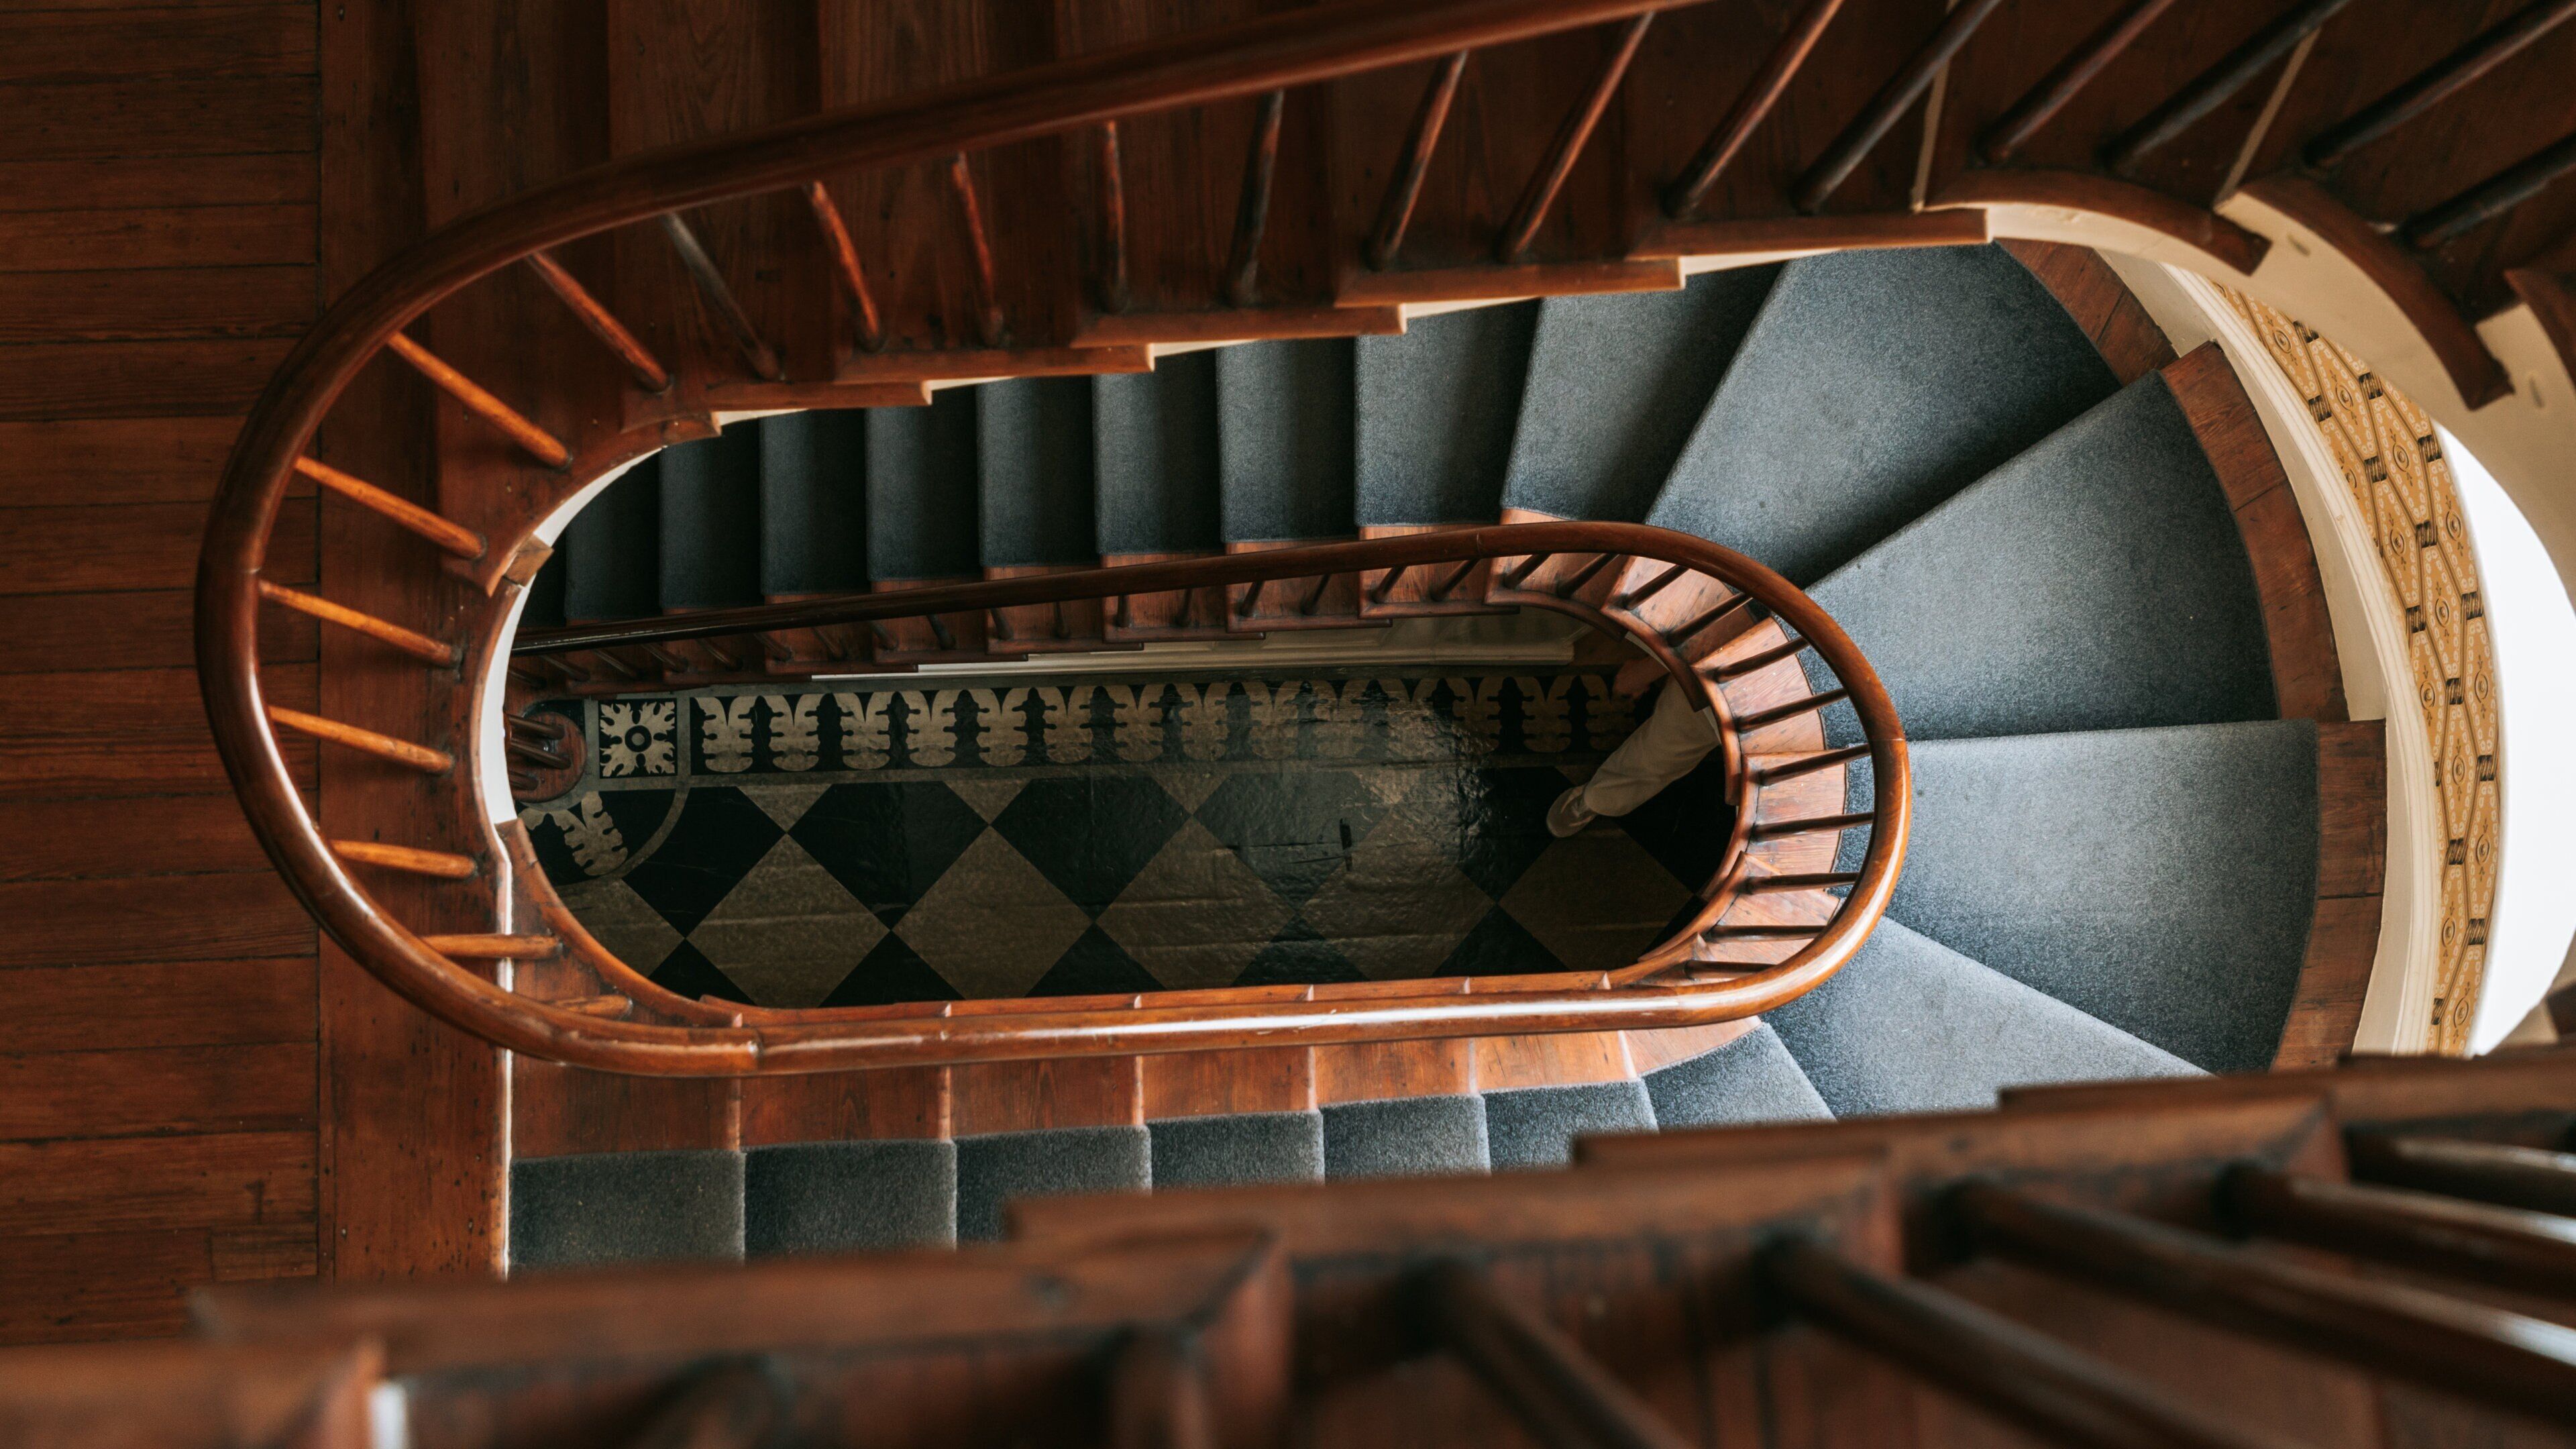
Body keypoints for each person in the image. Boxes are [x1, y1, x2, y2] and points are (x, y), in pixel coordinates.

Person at [1546, 674, 1719, 837]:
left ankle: (1603, 796)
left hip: (1731, 694)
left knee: (1667, 750)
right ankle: (1604, 794)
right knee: (1668, 745)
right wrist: (1648, 670)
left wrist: (1647, 671)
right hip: (1719, 669)